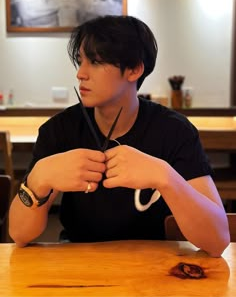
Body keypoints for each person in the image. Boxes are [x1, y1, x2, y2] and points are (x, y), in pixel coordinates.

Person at [9, 15, 230, 256]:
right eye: (80, 61)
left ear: (134, 69)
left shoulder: (174, 131)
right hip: (78, 262)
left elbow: (218, 240)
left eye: (94, 61)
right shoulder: (60, 130)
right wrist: (38, 179)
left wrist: (165, 177)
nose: (80, 74)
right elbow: (19, 234)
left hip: (156, 266)